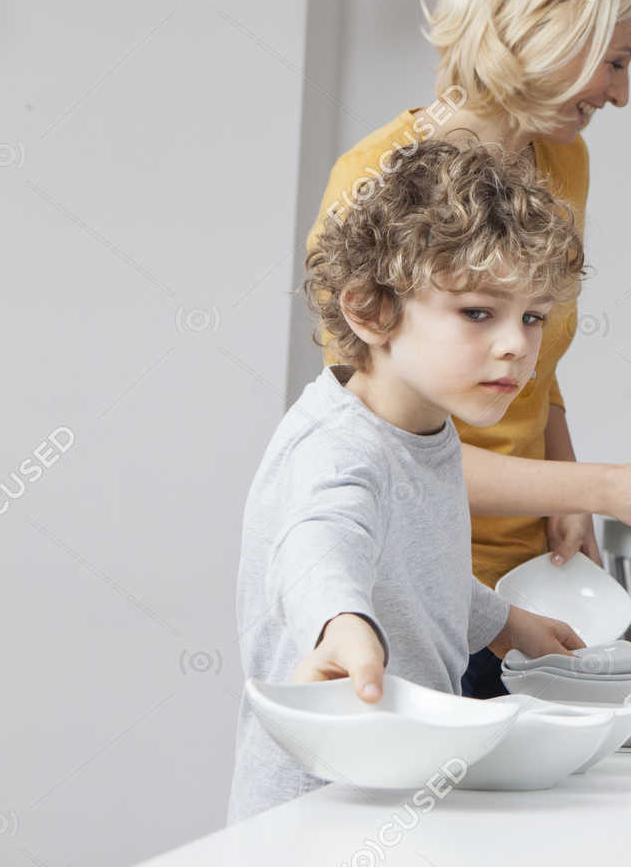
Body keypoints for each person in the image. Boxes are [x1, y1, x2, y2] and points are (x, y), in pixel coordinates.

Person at [305, 0, 631, 698]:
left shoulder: (561, 162)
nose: (622, 92)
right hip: (421, 586)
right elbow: (381, 449)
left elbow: (541, 367)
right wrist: (604, 487)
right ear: (545, 32)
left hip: (532, 580)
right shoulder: (372, 183)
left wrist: (568, 494)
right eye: (615, 60)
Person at [232, 141, 588, 822]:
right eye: (479, 312)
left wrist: (505, 621)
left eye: (533, 315)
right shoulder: (337, 449)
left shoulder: (424, 426)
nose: (517, 343)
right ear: (370, 310)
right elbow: (318, 545)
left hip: (396, 788)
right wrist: (337, 623)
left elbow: (414, 566)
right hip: (318, 811)